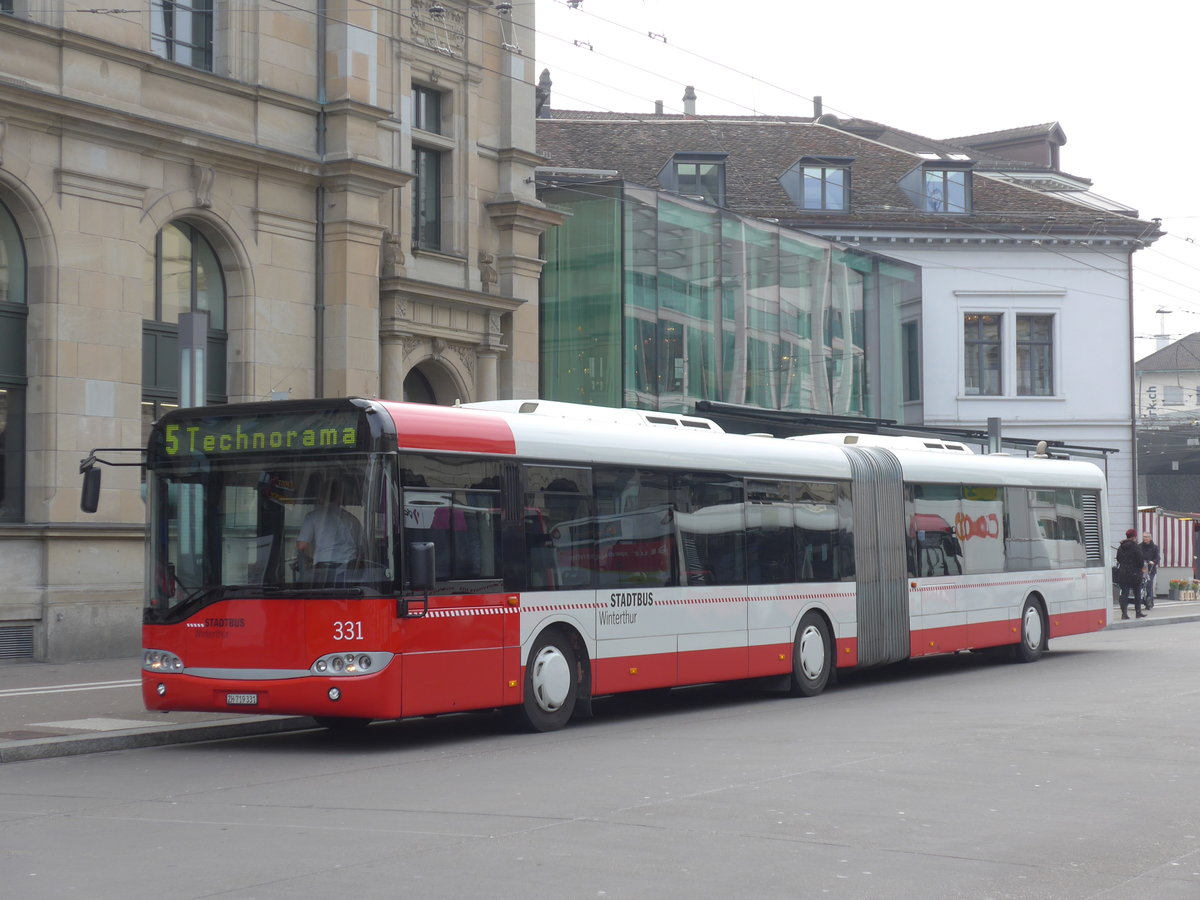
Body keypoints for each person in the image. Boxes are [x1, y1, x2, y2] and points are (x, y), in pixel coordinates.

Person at [297, 477, 362, 584]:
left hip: (322, 570)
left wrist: (309, 559)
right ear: (340, 497)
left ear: (322, 496)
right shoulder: (353, 519)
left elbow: (301, 546)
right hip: (348, 570)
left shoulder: (312, 516)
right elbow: (361, 549)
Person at [1115, 528, 1146, 619]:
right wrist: (1140, 567)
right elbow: (1140, 560)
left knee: (1124, 593)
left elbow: (1118, 559)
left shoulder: (1121, 547)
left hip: (1123, 573)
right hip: (1135, 574)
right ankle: (1138, 612)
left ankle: (1124, 614)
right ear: (1134, 537)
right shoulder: (1136, 547)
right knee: (1137, 592)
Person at [1139, 532, 1160, 609]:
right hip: (1141, 568)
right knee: (1140, 584)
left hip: (1150, 569)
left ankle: (1150, 602)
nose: (1145, 538)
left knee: (1148, 585)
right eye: (1144, 537)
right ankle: (1140, 600)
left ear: (1150, 538)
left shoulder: (1154, 547)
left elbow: (1157, 557)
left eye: (1147, 537)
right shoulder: (1139, 546)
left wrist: (1153, 561)